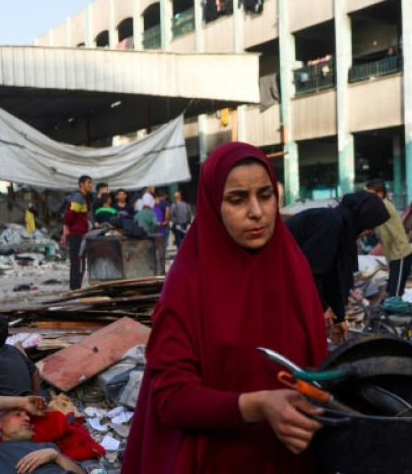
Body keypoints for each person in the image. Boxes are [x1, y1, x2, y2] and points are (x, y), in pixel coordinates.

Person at [122, 142, 328, 473]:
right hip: (217, 459)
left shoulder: (293, 268)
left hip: (291, 456)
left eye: (265, 195)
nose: (256, 211)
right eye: (237, 199)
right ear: (212, 204)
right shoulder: (188, 283)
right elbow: (171, 398)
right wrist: (260, 405)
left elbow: (314, 366)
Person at [286, 191, 390, 345]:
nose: (371, 232)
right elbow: (307, 272)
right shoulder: (330, 222)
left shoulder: (341, 229)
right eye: (371, 225)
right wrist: (323, 307)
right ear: (362, 219)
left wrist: (338, 318)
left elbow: (333, 277)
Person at [0, 395, 84, 474]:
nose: (27, 418)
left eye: (27, 415)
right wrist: (23, 402)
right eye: (18, 414)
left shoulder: (48, 447)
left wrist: (56, 455)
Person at [366, 179, 412, 297]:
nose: (367, 198)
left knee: (395, 292)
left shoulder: (383, 206)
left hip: (401, 254)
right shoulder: (381, 206)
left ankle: (394, 313)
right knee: (391, 288)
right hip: (393, 255)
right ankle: (391, 311)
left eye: (370, 194)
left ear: (380, 194)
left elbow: (369, 219)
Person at [61, 175, 93, 290]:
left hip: (81, 234)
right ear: (82, 184)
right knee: (77, 262)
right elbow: (71, 215)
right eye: (88, 182)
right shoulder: (78, 197)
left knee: (80, 262)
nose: (90, 185)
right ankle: (74, 288)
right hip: (77, 234)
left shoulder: (84, 198)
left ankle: (76, 287)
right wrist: (66, 229)